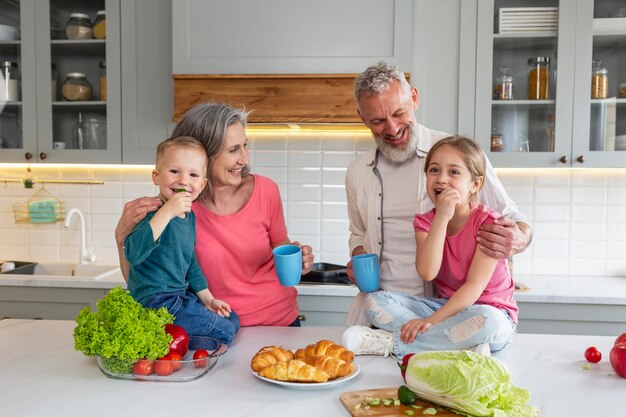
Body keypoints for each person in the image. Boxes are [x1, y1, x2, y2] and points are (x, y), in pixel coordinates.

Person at [343, 61, 532, 328]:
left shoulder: (455, 156)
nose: (393, 128)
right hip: (386, 311)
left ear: (414, 98)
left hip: (441, 308)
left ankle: (410, 340)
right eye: (377, 121)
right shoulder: (357, 172)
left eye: (399, 113)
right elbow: (358, 232)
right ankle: (403, 338)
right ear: (363, 118)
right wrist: (358, 254)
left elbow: (514, 217)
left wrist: (519, 237)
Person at [115, 102, 314, 327]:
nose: (244, 159)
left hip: (279, 324)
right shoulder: (173, 211)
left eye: (244, 146)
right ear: (202, 156)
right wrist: (121, 238)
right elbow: (145, 283)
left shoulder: (266, 191)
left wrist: (301, 260)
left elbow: (282, 249)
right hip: (211, 328)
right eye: (233, 150)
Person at [342, 136, 518, 358]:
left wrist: (429, 322)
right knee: (375, 301)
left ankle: (390, 344)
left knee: (487, 321)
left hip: (491, 312)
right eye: (434, 170)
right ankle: (458, 344)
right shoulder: (425, 222)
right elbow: (427, 271)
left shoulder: (487, 223)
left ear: (475, 184)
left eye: (454, 172)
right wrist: (442, 219)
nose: (442, 179)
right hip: (444, 309)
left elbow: (473, 288)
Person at [125, 136, 239, 349]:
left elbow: (190, 263)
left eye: (193, 175)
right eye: (174, 171)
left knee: (233, 320)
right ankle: (169, 340)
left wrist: (208, 300)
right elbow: (133, 253)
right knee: (226, 331)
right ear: (156, 177)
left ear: (202, 184)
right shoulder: (152, 214)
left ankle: (175, 339)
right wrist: (166, 212)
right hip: (156, 302)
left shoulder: (190, 218)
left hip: (180, 297)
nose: (183, 181)